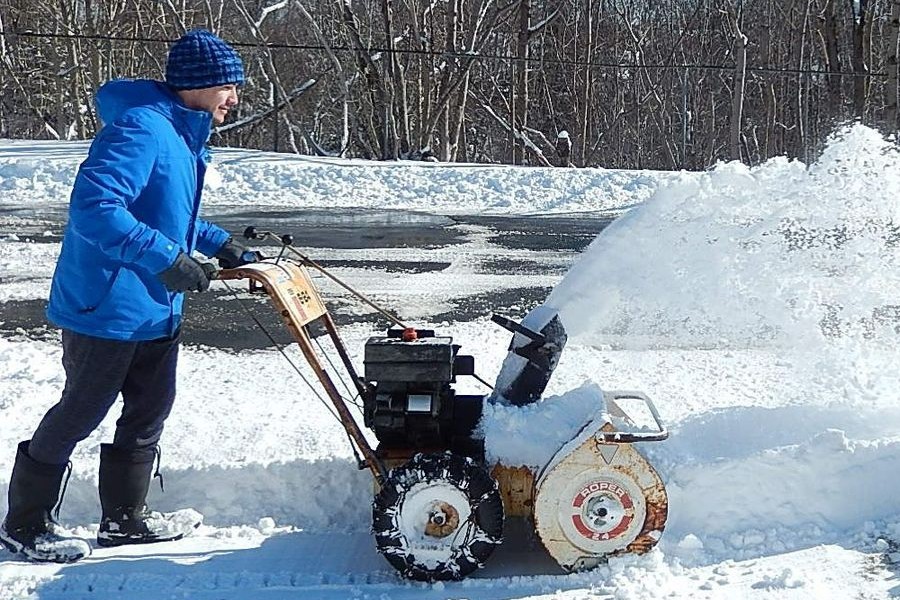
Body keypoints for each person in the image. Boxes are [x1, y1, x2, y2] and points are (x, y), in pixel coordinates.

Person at [0, 29, 258, 563]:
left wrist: (218, 241)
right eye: (228, 86)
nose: (234, 97)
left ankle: (124, 521)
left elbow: (163, 213)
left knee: (148, 411)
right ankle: (23, 525)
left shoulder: (182, 133)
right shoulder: (141, 128)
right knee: (81, 411)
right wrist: (168, 259)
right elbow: (96, 210)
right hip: (107, 306)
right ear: (199, 85)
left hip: (156, 306)